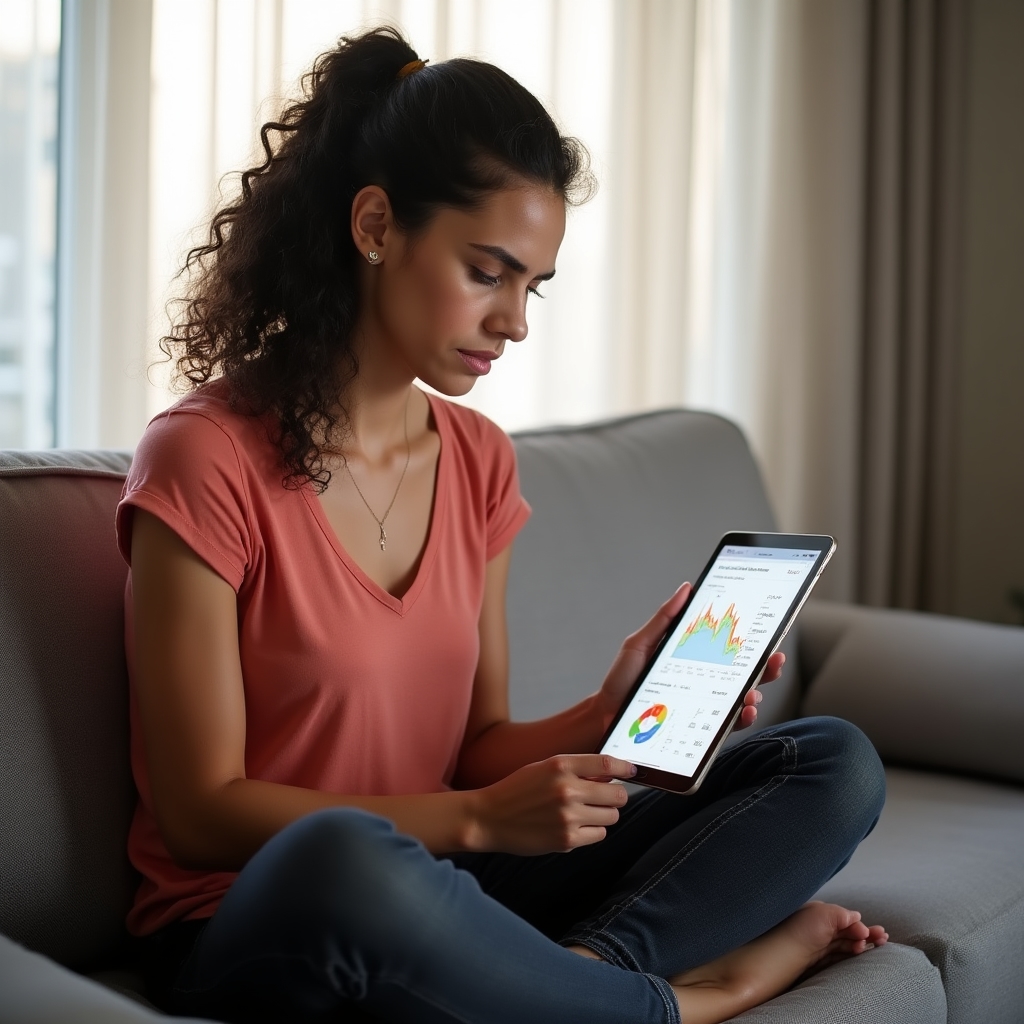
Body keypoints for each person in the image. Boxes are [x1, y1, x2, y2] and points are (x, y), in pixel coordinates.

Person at [119, 26, 887, 1024]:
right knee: (343, 855)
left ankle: (577, 975)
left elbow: (476, 743)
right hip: (266, 914)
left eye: (533, 284)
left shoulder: (479, 460)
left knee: (826, 761)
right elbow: (201, 810)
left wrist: (610, 706)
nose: (516, 320)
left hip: (455, 881)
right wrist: (478, 820)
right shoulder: (202, 457)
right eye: (489, 271)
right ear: (375, 224)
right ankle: (689, 998)